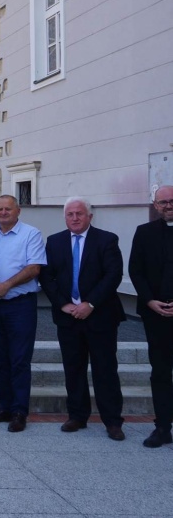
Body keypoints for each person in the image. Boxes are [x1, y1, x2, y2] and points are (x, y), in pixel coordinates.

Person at [40, 197, 125, 441]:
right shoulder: (54, 242)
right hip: (68, 317)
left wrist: (90, 304)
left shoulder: (106, 240)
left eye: (79, 214)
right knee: (73, 368)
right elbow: (48, 277)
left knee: (105, 369)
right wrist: (64, 304)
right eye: (70, 214)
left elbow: (113, 275)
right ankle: (77, 416)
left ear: (90, 216)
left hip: (100, 316)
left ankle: (112, 421)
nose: (75, 218)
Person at [0, 195, 46, 433]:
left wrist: (6, 285)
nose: (4, 212)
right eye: (0, 209)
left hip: (20, 305)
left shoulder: (31, 234)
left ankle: (19, 411)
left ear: (18, 210)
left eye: (8, 208)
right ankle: (4, 407)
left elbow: (34, 268)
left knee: (19, 360)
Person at [129, 185, 173, 448]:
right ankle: (162, 426)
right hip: (155, 313)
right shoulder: (144, 233)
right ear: (155, 205)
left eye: (172, 201)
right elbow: (136, 270)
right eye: (163, 202)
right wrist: (149, 300)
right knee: (160, 371)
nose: (168, 206)